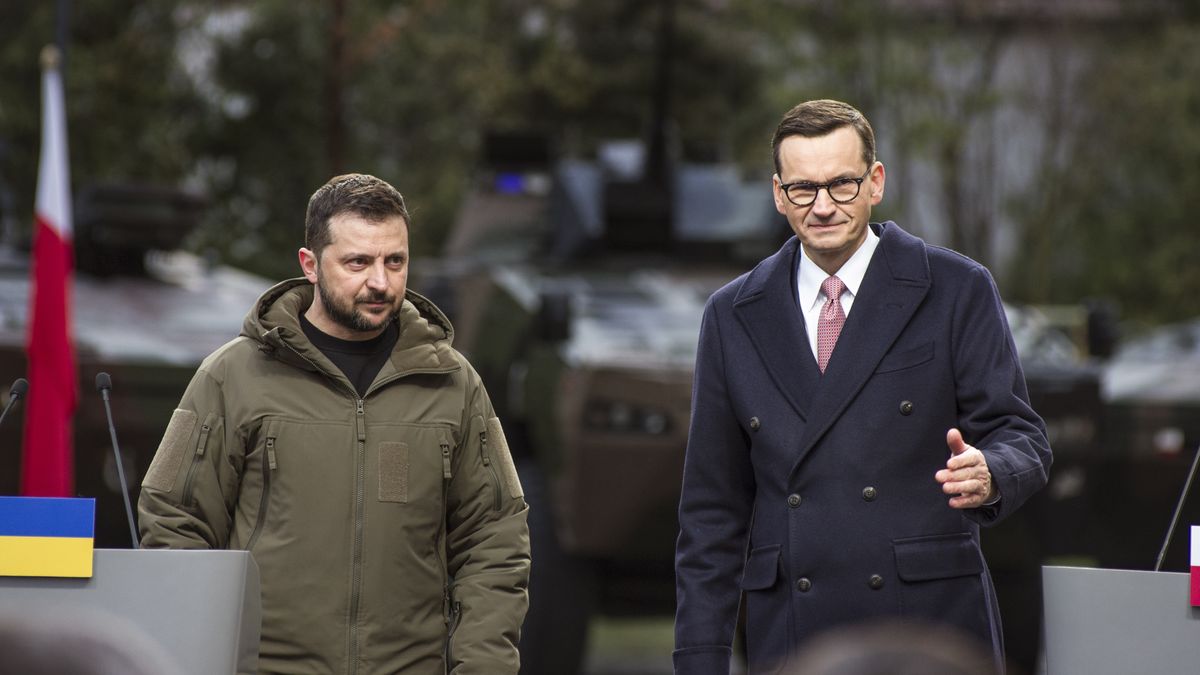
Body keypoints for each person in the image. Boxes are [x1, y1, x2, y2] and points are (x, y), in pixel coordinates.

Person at [673, 100, 1051, 674]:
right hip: (795, 634)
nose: (822, 207)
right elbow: (711, 516)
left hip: (928, 629)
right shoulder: (732, 314)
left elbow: (1021, 435)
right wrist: (699, 662)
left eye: (842, 185)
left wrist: (992, 471)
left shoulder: (955, 288)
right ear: (778, 195)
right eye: (802, 189)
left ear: (875, 182)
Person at [138, 173, 531, 674]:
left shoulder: (454, 383)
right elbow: (174, 521)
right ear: (310, 265)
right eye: (357, 262)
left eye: (395, 261)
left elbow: (495, 537)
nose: (380, 282)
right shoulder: (231, 376)